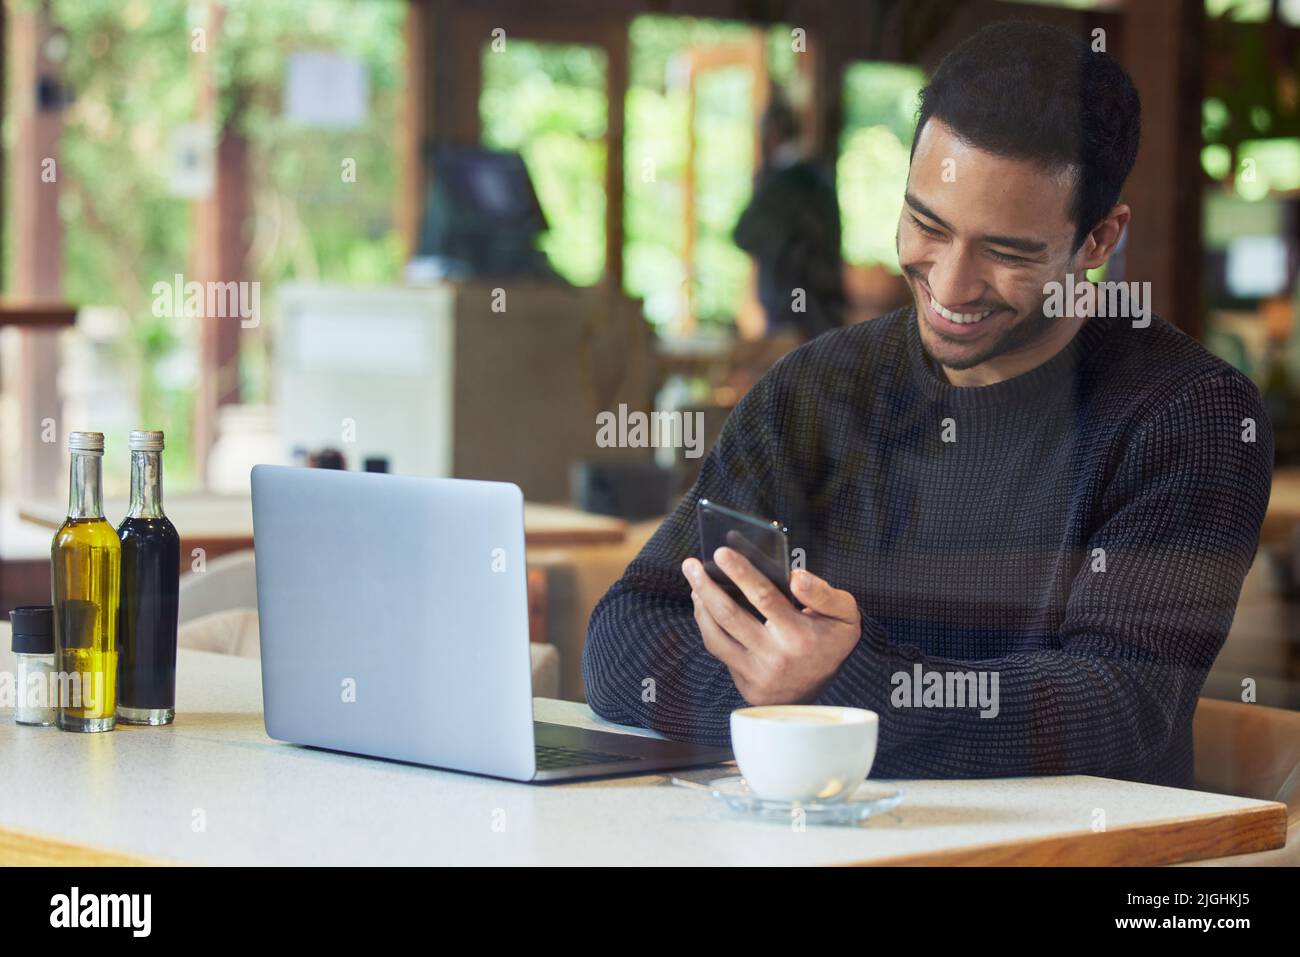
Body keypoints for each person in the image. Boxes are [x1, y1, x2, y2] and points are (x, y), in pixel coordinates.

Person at [582, 21, 1273, 787]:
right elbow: (625, 637)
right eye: (926, 225)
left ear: (1098, 240)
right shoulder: (815, 388)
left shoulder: (1188, 416)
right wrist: (804, 702)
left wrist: (841, 691)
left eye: (1007, 252)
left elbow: (1114, 710)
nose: (949, 285)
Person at [733, 89, 845, 341]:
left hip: (793, 311)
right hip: (821, 308)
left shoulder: (783, 182)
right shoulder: (819, 176)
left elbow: (743, 234)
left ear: (771, 133)